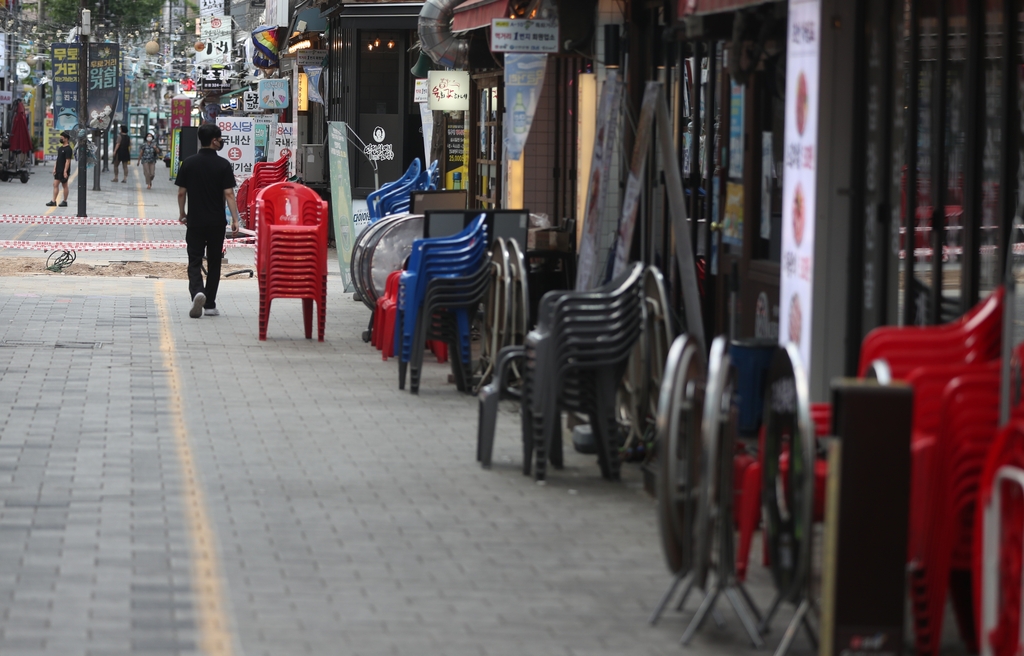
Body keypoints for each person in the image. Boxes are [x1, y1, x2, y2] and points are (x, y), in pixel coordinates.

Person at [175, 123, 240, 319]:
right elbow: (229, 193)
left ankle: (197, 292)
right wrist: (235, 219)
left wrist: (182, 213)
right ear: (214, 141)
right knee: (214, 262)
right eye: (220, 138)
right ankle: (210, 304)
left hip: (195, 221)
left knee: (194, 260)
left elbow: (181, 192)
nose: (221, 141)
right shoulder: (223, 165)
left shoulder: (188, 163)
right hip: (216, 223)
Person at [46, 131, 73, 208]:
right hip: (58, 170)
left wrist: (65, 171)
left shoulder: (68, 149)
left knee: (64, 185)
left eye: (62, 138)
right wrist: (54, 168)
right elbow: (58, 159)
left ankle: (64, 201)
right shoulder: (60, 148)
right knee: (55, 184)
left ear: (66, 139)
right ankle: (53, 201)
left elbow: (68, 161)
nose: (60, 139)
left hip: (64, 170)